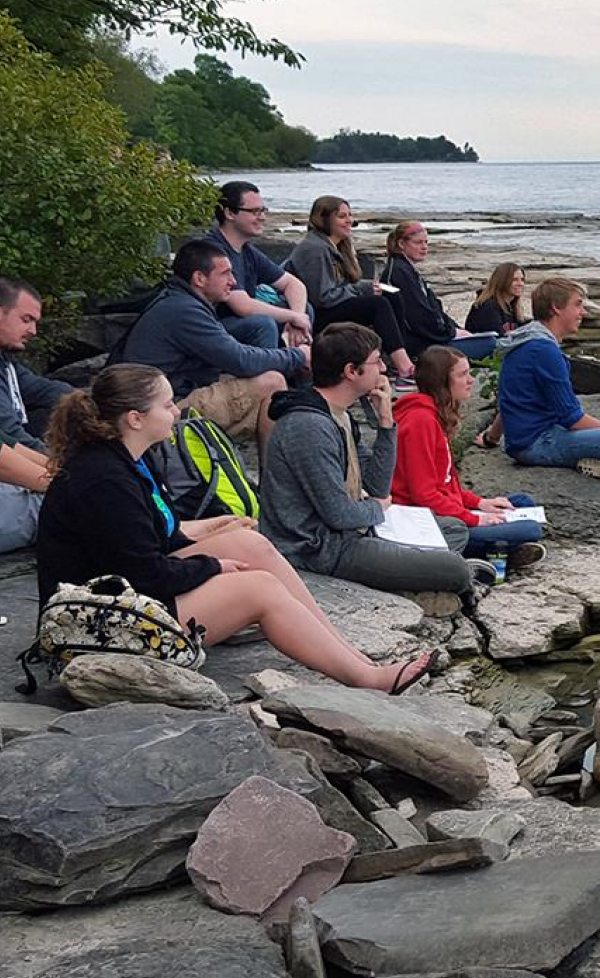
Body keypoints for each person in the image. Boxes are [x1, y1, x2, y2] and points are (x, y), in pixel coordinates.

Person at [35, 363, 435, 693]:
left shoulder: (129, 460)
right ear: (136, 418)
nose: (176, 411)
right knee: (258, 588)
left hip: (122, 597)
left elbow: (155, 536)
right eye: (167, 404)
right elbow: (146, 573)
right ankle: (365, 678)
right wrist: (214, 566)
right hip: (99, 627)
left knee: (250, 544)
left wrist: (214, 531)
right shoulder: (105, 480)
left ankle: (345, 652)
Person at [260, 323, 484, 597]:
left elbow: (377, 485)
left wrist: (386, 422)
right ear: (351, 371)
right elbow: (339, 513)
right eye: (376, 361)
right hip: (321, 548)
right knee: (454, 569)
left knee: (455, 530)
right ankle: (435, 581)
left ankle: (415, 576)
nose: (382, 369)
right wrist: (377, 508)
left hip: (353, 531)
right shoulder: (309, 426)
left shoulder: (340, 415)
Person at [115, 239, 309, 444]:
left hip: (157, 400)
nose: (233, 281)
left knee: (263, 373)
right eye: (225, 273)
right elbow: (241, 360)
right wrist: (300, 355)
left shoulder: (181, 301)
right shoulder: (185, 311)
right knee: (272, 382)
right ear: (199, 278)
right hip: (158, 411)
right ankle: (272, 472)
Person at [484, 278, 600, 485]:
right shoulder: (543, 350)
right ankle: (598, 464)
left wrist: (490, 438)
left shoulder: (526, 339)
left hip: (534, 436)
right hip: (536, 444)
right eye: (578, 304)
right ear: (556, 308)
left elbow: (508, 401)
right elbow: (571, 418)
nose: (583, 312)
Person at [395, 345, 545, 572]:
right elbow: (423, 494)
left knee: (522, 503)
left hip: (446, 509)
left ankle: (502, 548)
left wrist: (479, 503)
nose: (471, 380)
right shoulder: (420, 422)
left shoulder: (434, 416)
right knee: (531, 529)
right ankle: (489, 551)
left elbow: (445, 484)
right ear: (442, 382)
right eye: (462, 375)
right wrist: (475, 519)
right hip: (432, 522)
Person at [284, 196, 419, 382]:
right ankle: (405, 368)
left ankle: (395, 358)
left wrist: (365, 287)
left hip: (330, 305)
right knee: (377, 305)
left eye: (350, 215)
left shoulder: (338, 246)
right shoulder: (314, 249)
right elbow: (322, 297)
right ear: (323, 219)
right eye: (342, 216)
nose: (349, 220)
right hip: (315, 314)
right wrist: (361, 290)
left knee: (391, 296)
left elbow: (345, 285)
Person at [206, 181, 311, 350]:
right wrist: (293, 317)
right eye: (255, 211)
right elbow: (242, 306)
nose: (262, 217)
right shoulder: (212, 250)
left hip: (238, 323)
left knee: (304, 308)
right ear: (229, 213)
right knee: (263, 324)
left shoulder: (247, 250)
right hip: (211, 327)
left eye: (263, 210)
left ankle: (294, 366)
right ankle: (271, 373)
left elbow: (294, 284)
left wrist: (297, 316)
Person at [0, 278, 62, 551]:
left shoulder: (6, 362)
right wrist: (69, 486)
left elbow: (7, 442)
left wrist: (64, 469)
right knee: (68, 508)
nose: (33, 330)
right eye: (26, 319)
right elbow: (6, 451)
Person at [378, 221, 496, 361]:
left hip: (432, 337)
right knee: (492, 344)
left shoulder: (408, 271)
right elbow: (417, 318)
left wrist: (456, 329)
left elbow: (434, 309)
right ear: (402, 244)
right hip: (420, 345)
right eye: (418, 243)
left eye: (426, 242)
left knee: (489, 340)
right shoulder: (398, 273)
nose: (424, 247)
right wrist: (450, 333)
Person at [466, 262, 530, 335]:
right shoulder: (488, 306)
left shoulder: (511, 306)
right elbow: (496, 339)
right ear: (502, 281)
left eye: (522, 279)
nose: (520, 284)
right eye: (514, 280)